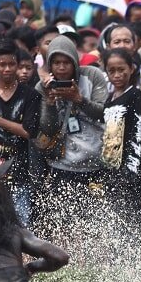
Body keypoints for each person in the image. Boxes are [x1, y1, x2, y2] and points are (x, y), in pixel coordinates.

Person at [34, 33, 108, 232]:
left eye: (66, 62)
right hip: (62, 164)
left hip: (94, 163)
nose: (61, 67)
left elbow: (104, 113)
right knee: (64, 224)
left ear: (75, 61)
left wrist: (79, 99)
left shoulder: (92, 75)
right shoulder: (42, 87)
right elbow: (46, 129)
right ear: (49, 64)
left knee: (93, 224)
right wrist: (49, 103)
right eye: (56, 62)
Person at [0, 39, 42, 227]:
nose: (7, 69)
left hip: (21, 171)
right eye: (2, 64)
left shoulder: (30, 95)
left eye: (11, 64)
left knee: (21, 226)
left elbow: (28, 132)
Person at [102, 48, 141, 247]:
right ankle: (118, 255)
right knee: (115, 217)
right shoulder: (110, 97)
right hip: (112, 168)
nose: (117, 75)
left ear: (131, 69)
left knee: (131, 217)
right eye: (111, 70)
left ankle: (135, 257)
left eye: (121, 70)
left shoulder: (135, 96)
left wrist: (132, 172)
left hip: (130, 172)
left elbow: (139, 134)